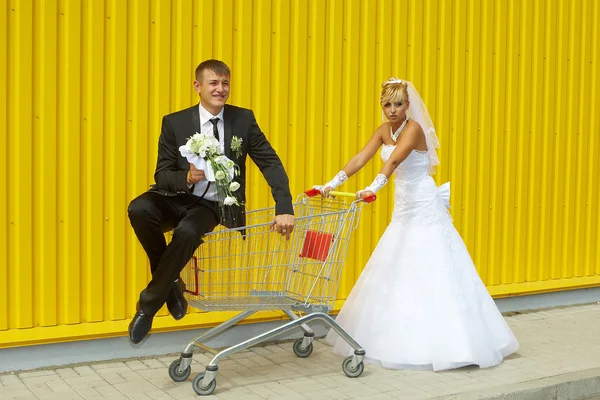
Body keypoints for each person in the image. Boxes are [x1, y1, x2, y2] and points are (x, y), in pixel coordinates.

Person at [316, 78, 519, 370]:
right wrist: (331, 183)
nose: (392, 110)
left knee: (434, 261)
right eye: (387, 104)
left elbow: (394, 161)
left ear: (408, 105)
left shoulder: (413, 129)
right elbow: (361, 157)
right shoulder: (383, 130)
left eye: (398, 104)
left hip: (423, 201)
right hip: (403, 204)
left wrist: (374, 187)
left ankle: (456, 343)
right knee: (397, 261)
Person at [127, 59, 295, 344]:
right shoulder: (175, 122)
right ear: (198, 86)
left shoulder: (243, 120)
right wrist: (187, 177)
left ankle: (148, 304)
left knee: (188, 232)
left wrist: (284, 208)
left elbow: (270, 163)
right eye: (213, 83)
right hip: (175, 196)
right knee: (139, 208)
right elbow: (162, 173)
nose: (220, 89)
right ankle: (169, 285)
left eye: (225, 83)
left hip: (212, 205)